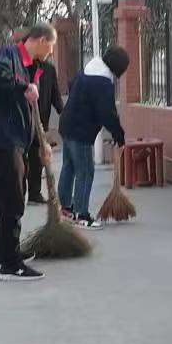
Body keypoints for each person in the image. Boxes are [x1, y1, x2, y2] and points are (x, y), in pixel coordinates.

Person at [0, 23, 56, 281]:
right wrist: (22, 86)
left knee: (12, 200)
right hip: (2, 142)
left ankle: (6, 253)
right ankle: (11, 266)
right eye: (51, 46)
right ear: (42, 40)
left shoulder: (32, 67)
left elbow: (29, 113)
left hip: (17, 143)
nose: (51, 52)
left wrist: (41, 145)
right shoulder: (9, 56)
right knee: (12, 202)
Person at [57, 45, 130, 230]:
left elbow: (71, 84)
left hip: (67, 126)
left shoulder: (86, 71)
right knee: (86, 172)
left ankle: (65, 208)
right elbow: (108, 114)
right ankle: (81, 215)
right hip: (81, 132)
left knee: (68, 167)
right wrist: (119, 137)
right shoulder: (103, 82)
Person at [25, 52, 65, 205]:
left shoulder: (49, 69)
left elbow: (55, 95)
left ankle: (34, 193)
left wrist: (63, 113)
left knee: (37, 158)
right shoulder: (24, 66)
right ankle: (20, 191)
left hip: (41, 121)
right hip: (23, 120)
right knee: (21, 159)